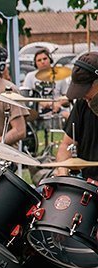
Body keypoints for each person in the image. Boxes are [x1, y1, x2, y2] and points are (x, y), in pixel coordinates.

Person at [53, 51, 98, 180]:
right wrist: (62, 170)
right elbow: (66, 145)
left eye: (86, 90)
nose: (83, 95)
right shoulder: (82, 104)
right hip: (87, 185)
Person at [21, 48, 68, 114]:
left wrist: (58, 103)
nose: (42, 62)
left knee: (67, 115)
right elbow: (25, 96)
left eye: (45, 59)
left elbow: (66, 96)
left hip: (57, 110)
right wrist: (40, 102)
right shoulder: (30, 76)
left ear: (50, 60)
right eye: (39, 60)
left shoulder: (59, 76)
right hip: (37, 111)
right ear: (35, 63)